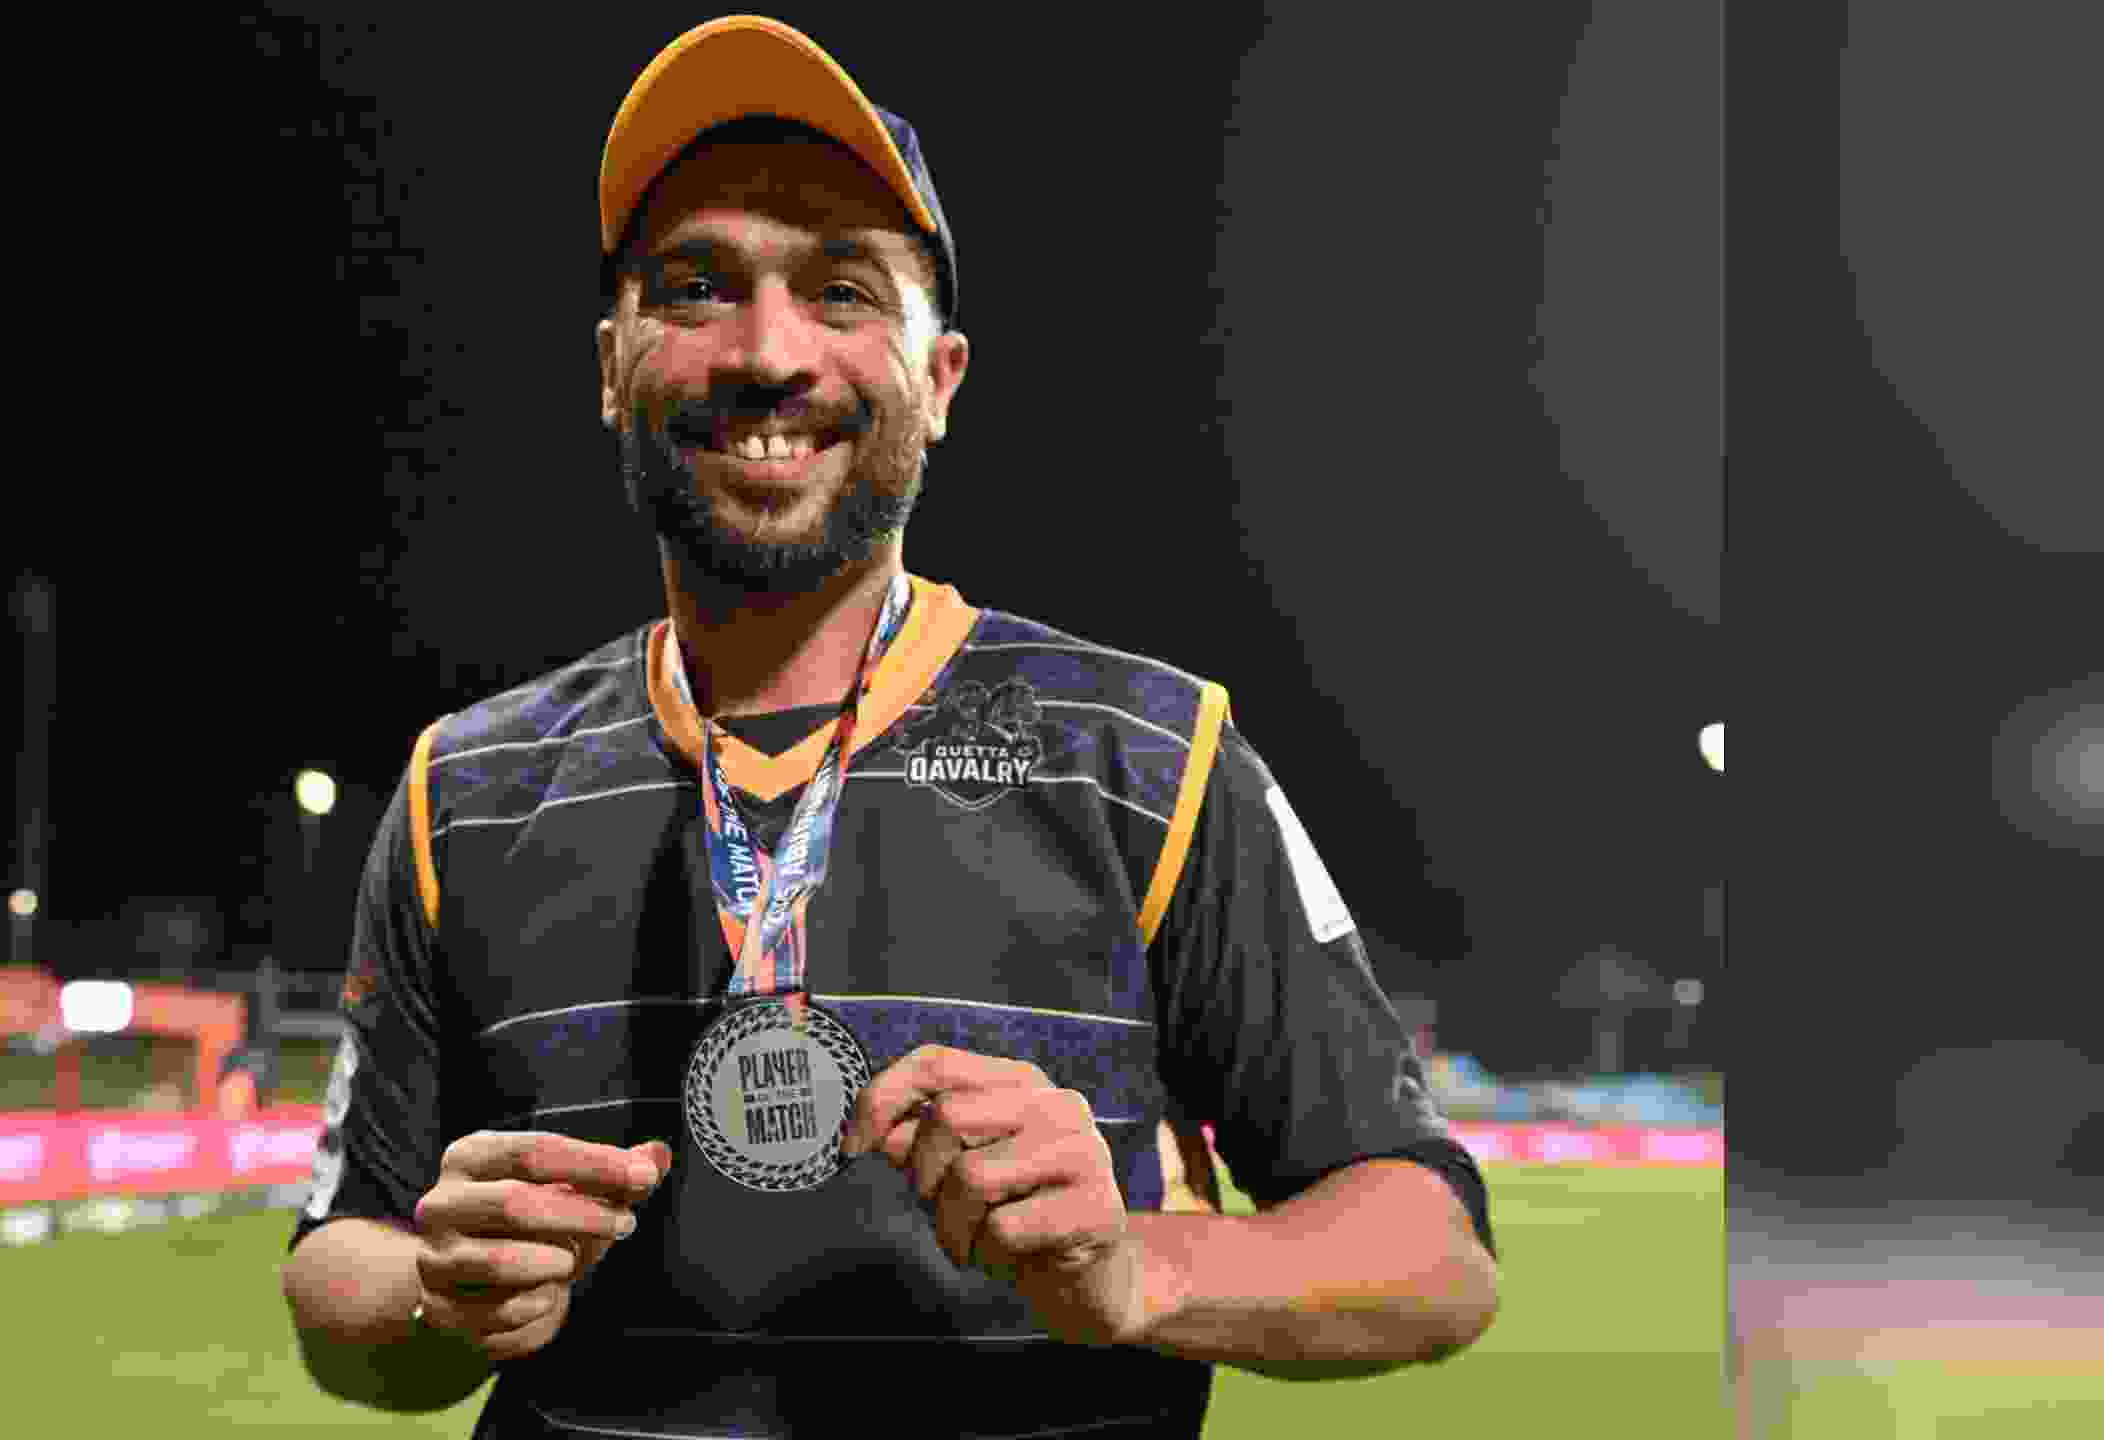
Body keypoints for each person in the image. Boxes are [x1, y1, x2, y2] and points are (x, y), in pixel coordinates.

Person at [282, 16, 1500, 1437]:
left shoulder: (1149, 755)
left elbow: (1433, 1253)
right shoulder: (466, 788)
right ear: (611, 364)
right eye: (697, 286)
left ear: (943, 378)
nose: (767, 352)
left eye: (844, 291)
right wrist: (434, 1297)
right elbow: (339, 1267)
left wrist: (1138, 1269)